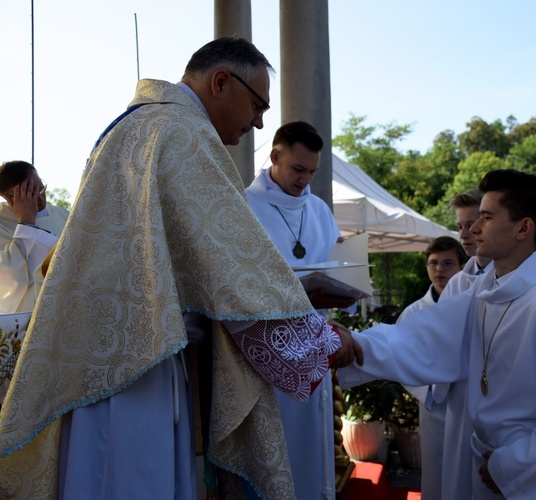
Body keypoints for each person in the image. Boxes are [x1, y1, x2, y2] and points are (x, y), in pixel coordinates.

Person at [0, 36, 361, 500]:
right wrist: (325, 340)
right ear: (221, 82)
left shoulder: (131, 128)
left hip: (104, 364)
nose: (259, 121)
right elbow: (238, 273)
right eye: (257, 105)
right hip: (140, 370)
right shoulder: (182, 134)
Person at [339, 169, 536, 499]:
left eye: (486, 217)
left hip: (523, 476)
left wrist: (511, 466)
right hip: (485, 462)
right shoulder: (483, 293)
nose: (474, 229)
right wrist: (356, 344)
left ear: (524, 228)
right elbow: (423, 339)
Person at [245, 120, 356, 500]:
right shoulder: (243, 207)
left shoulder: (320, 209)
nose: (305, 180)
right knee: (277, 457)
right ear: (275, 156)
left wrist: (346, 267)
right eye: (298, 169)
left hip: (315, 343)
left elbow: (334, 273)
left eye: (312, 171)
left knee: (314, 454)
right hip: (266, 351)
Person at [395, 235, 465, 500]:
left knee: (466, 472)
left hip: (468, 401)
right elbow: (399, 360)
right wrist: (429, 391)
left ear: (461, 267)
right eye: (434, 263)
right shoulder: (413, 314)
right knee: (436, 471)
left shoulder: (472, 305)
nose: (439, 270)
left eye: (448, 264)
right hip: (433, 405)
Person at [436, 189, 494, 500]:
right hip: (461, 402)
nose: (466, 233)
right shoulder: (458, 283)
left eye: (473, 223)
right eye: (459, 226)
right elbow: (434, 339)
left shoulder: (521, 284)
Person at [0, 160, 68, 314]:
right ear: (8, 197)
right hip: (26, 314)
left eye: (41, 189)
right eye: (29, 194)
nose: (40, 199)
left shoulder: (64, 216)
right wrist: (26, 222)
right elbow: (9, 274)